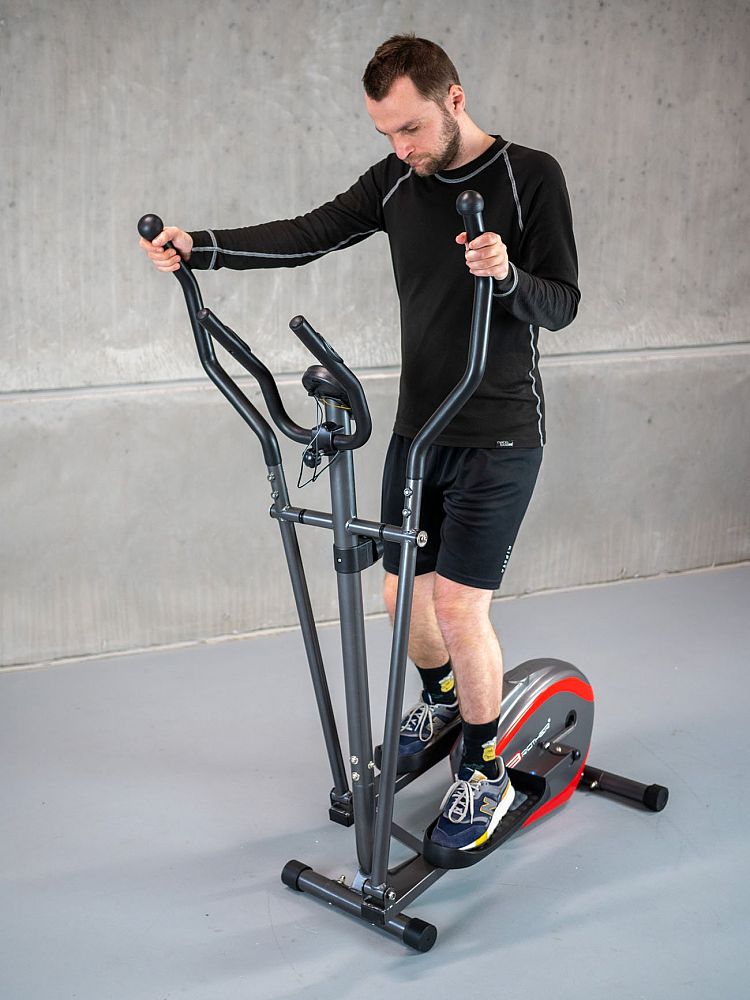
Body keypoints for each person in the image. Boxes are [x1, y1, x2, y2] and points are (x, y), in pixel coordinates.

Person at [139, 34, 579, 851]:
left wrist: (508, 275)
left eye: (410, 128)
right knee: (400, 597)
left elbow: (562, 304)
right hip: (419, 431)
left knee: (458, 607)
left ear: (454, 99)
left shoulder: (530, 175)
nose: (400, 147)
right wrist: (202, 247)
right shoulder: (397, 182)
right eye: (385, 133)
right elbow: (309, 233)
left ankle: (485, 773)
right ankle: (442, 701)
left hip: (498, 432)